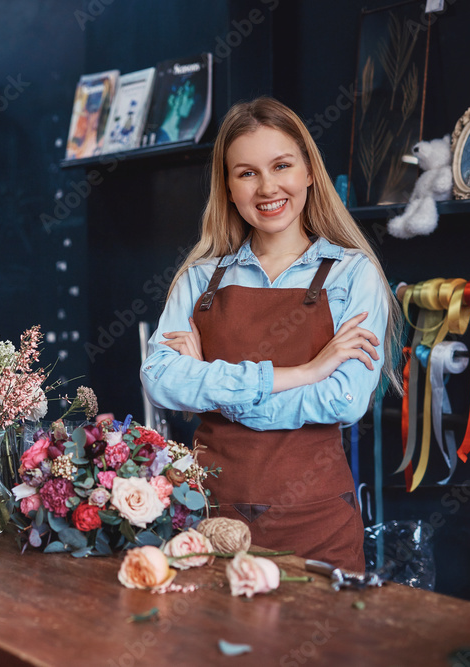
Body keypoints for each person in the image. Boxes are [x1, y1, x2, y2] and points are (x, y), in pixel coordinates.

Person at [141, 97, 401, 571]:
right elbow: (160, 380)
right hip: (207, 516)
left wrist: (207, 384)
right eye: (247, 173)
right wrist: (304, 372)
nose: (267, 187)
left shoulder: (353, 275)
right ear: (229, 186)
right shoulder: (199, 278)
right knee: (216, 645)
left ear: (308, 172)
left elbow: (343, 400)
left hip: (318, 523)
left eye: (281, 165)